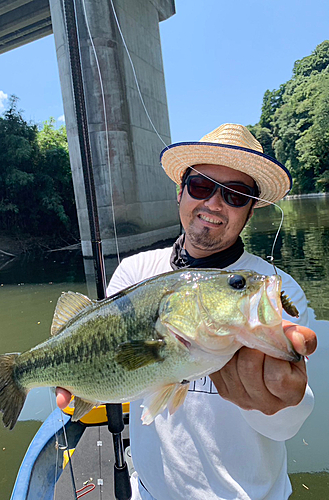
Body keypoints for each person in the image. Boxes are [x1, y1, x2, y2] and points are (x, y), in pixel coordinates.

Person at [56, 123, 317, 499]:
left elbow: (288, 424)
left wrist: (283, 399)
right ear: (180, 191)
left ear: (251, 210)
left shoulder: (278, 292)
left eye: (236, 195)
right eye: (200, 187)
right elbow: (115, 372)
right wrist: (82, 382)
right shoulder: (135, 272)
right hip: (151, 491)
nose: (213, 204)